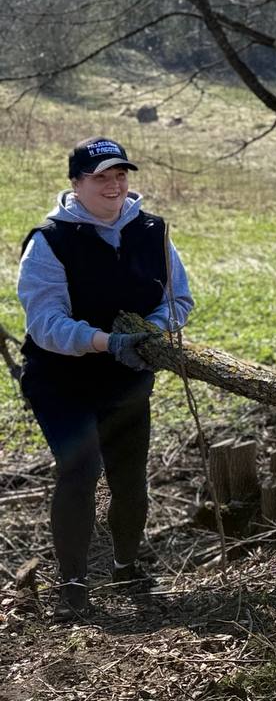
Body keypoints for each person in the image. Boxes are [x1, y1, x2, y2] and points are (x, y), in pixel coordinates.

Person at [17, 137, 194, 621]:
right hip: (61, 381)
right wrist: (106, 342)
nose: (114, 185)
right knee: (80, 471)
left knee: (129, 477)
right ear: (76, 183)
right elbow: (45, 323)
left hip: (127, 377)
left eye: (120, 175)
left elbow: (179, 299)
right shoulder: (49, 241)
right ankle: (73, 583)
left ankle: (125, 566)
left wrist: (153, 330)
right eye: (101, 177)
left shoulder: (153, 231)